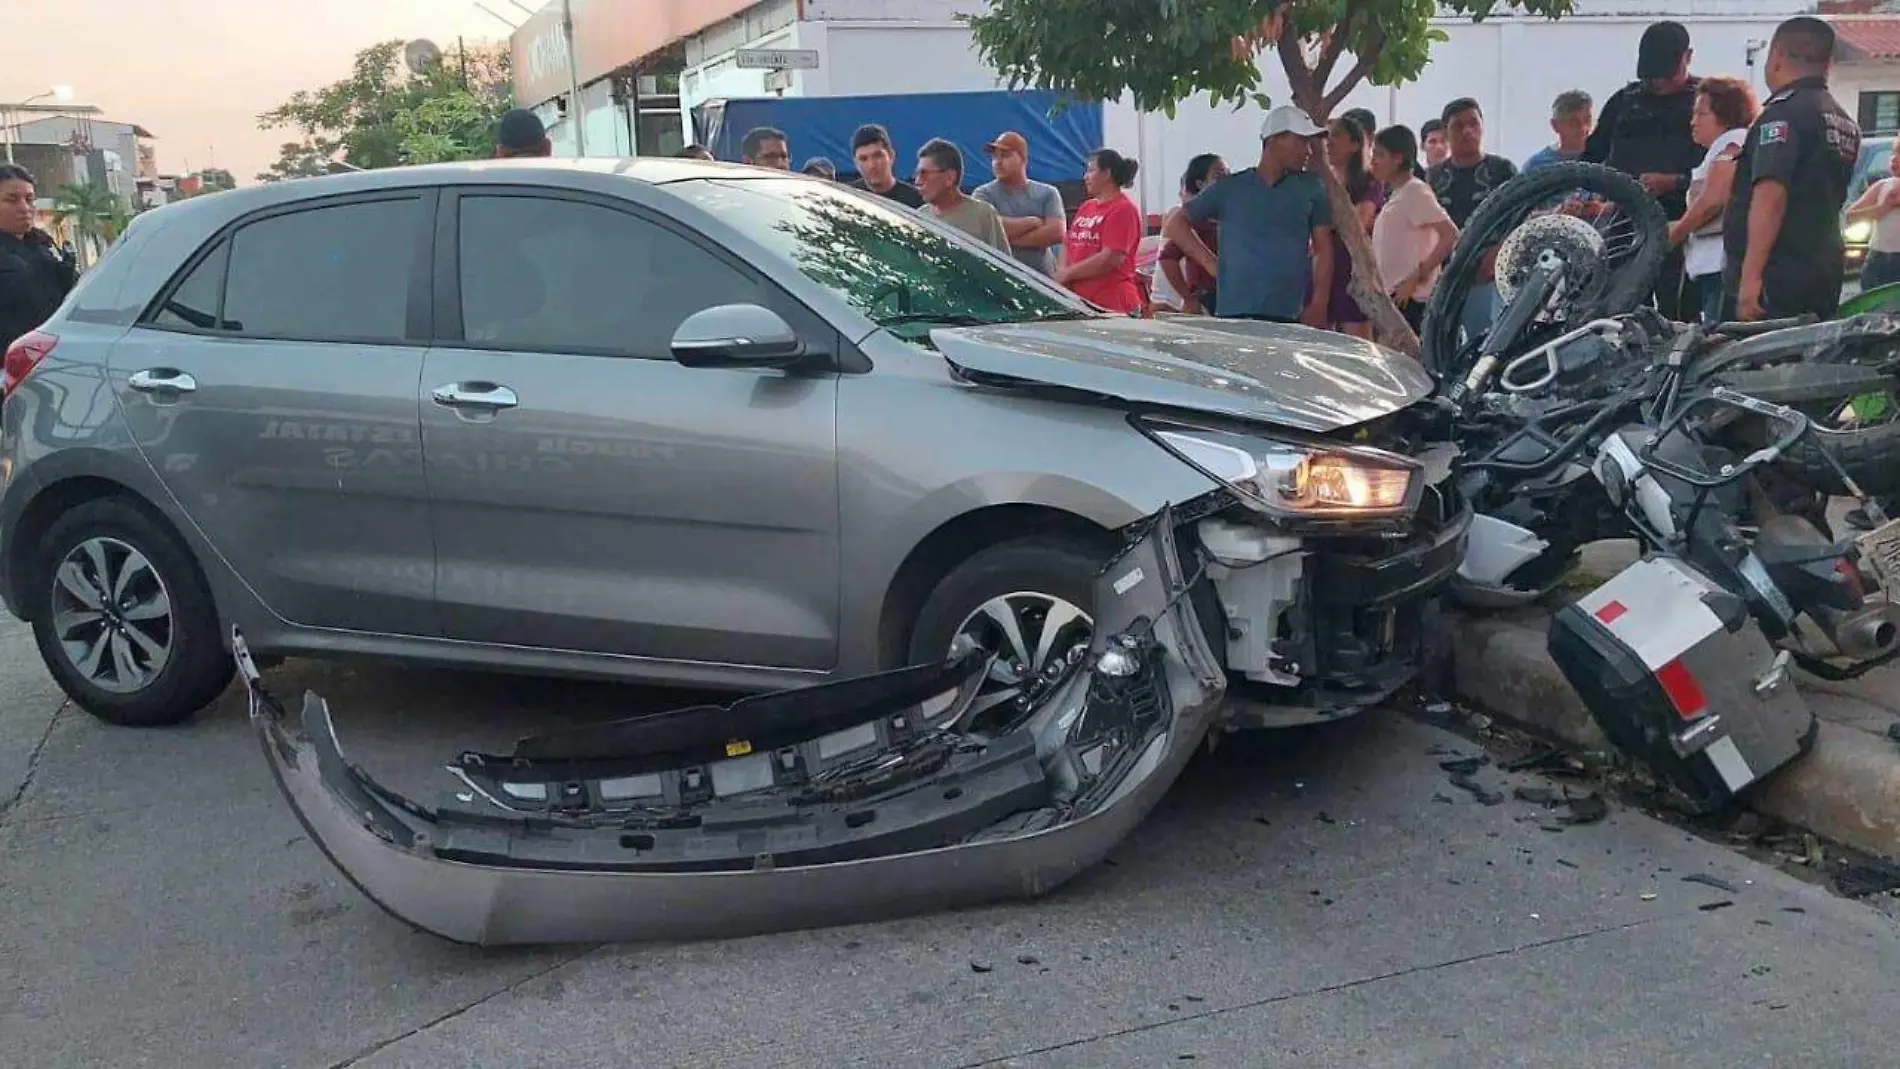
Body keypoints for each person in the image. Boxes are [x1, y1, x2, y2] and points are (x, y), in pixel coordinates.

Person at [1724, 17, 1862, 322]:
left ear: (1776, 57)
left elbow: (1771, 194)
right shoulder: (1844, 121)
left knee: (1755, 364)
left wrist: (1750, 279)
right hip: (1822, 272)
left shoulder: (1783, 114)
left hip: (1776, 278)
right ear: (1828, 64)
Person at [1164, 105, 1333, 326]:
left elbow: (1324, 249)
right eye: (1301, 141)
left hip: (1288, 312)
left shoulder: (1312, 188)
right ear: (1274, 140)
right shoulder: (1230, 187)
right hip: (1234, 311)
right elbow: (1175, 224)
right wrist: (1211, 264)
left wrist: (1319, 304)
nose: (1308, 151)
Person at [1584, 21, 1705, 320]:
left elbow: (1724, 169)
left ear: (1687, 57)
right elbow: (1590, 157)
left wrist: (1675, 182)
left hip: (1681, 226)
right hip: (1622, 226)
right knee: (1619, 311)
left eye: (1666, 73)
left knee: (1676, 315)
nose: (1658, 82)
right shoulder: (1624, 101)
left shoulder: (1705, 102)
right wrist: (1585, 195)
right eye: (1651, 74)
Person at [1667, 77, 1757, 323]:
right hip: (1710, 268)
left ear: (1724, 114)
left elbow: (1714, 200)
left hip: (1720, 266)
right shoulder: (1720, 148)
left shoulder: (1733, 142)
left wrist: (1675, 234)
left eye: (1701, 113)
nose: (1693, 121)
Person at [1428, 99, 1517, 345]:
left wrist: (1497, 254)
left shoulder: (1503, 170)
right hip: (1443, 281)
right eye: (1458, 126)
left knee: (1487, 347)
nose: (1467, 131)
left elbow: (1521, 217)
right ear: (1446, 133)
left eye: (1473, 124)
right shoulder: (1433, 178)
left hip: (1490, 275)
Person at [1370, 127, 1458, 335]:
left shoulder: (1415, 191)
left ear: (1398, 158)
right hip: (1393, 297)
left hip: (1411, 299)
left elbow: (1450, 235)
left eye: (1379, 155)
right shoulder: (1398, 192)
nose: (1373, 160)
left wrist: (1416, 276)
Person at [0, 164, 77, 354]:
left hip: (54, 355)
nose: (25, 208)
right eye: (11, 200)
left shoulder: (43, 243)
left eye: (29, 199)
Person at [1057, 149, 1145, 314]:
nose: (1085, 177)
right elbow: (1067, 242)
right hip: (1080, 301)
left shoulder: (1123, 209)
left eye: (1091, 170)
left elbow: (1110, 258)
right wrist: (1062, 272)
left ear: (1106, 174)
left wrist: (1068, 274)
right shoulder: (1086, 207)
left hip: (1112, 302)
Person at [972, 130, 1066, 276]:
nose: (998, 162)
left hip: (1043, 279)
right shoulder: (983, 194)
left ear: (1022, 159)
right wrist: (1031, 222)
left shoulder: (1048, 192)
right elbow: (986, 227)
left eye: (1005, 155)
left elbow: (1056, 232)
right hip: (1001, 278)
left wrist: (1007, 240)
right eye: (995, 157)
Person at [1324, 116, 1384, 338]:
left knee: (1358, 344)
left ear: (1355, 144)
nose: (1329, 143)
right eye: (1326, 137)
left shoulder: (1368, 181)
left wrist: (1325, 222)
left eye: (1336, 136)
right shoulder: (1319, 182)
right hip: (1321, 268)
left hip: (1353, 270)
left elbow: (1357, 222)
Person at [1158, 153, 1228, 315]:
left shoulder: (1227, 216)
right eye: (1220, 175)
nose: (1227, 181)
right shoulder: (1197, 220)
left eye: (1228, 174)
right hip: (1209, 297)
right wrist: (1189, 298)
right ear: (1200, 183)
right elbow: (1167, 258)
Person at [914, 138, 1009, 252]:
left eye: (925, 174)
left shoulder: (983, 215)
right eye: (917, 174)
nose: (918, 181)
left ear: (950, 177)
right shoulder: (920, 216)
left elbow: (1003, 264)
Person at [1844, 148, 1900, 291]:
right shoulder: (1882, 186)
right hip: (1878, 260)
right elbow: (1850, 216)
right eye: (1894, 153)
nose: (1894, 158)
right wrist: (1883, 207)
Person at [849, 124, 924, 207]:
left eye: (877, 156)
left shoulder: (917, 200)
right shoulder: (847, 196)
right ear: (856, 163)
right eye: (863, 159)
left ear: (891, 155)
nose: (871, 165)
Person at [1523, 91, 1594, 172]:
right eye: (1573, 122)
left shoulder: (1604, 160)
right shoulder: (1537, 166)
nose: (1583, 128)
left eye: (1587, 120)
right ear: (1555, 125)